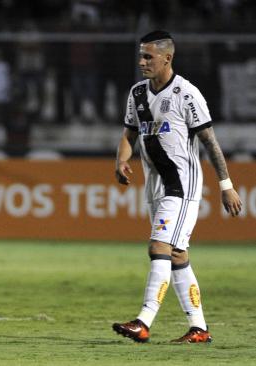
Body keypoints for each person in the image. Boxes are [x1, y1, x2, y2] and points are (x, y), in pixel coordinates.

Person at [112, 30, 242, 343]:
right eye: (141, 56)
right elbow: (130, 134)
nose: (142, 62)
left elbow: (209, 142)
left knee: (159, 247)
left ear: (167, 58)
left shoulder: (187, 94)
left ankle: (143, 322)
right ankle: (199, 328)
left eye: (148, 57)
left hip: (181, 187)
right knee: (178, 255)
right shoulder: (138, 94)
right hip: (155, 186)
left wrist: (226, 185)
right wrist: (120, 161)